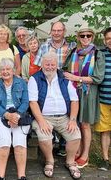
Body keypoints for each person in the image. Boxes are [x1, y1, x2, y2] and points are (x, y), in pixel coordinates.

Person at [28, 52, 81, 179]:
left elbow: (74, 100)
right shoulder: (34, 78)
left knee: (75, 135)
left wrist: (73, 119)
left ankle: (70, 162)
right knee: (44, 136)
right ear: (42, 65)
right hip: (43, 117)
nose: (50, 67)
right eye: (47, 64)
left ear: (57, 65)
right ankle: (50, 161)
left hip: (63, 117)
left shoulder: (65, 78)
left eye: (52, 64)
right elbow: (33, 102)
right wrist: (41, 121)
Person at [63, 27, 105, 168]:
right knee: (75, 122)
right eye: (82, 36)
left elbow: (98, 78)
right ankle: (78, 149)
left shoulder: (97, 54)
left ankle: (85, 154)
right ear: (78, 37)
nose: (85, 38)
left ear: (92, 37)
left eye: (88, 36)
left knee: (85, 124)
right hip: (73, 93)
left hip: (88, 93)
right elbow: (65, 69)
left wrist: (76, 78)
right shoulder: (74, 52)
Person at [34, 21, 77, 156]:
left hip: (66, 82)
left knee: (69, 112)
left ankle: (65, 147)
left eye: (59, 30)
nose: (57, 33)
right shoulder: (44, 47)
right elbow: (38, 67)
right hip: (47, 81)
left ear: (64, 31)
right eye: (54, 30)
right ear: (50, 31)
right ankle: (51, 148)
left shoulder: (72, 47)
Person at [0, 58, 30, 180]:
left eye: (8, 69)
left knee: (19, 142)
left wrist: (16, 116)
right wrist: (7, 115)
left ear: (13, 71)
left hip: (20, 115)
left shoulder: (21, 83)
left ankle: (21, 176)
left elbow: (25, 102)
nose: (5, 71)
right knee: (4, 140)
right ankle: (0, 175)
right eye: (3, 69)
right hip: (2, 115)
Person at [94, 27, 111, 171]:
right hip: (104, 99)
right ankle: (105, 159)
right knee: (105, 131)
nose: (110, 41)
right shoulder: (101, 54)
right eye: (108, 39)